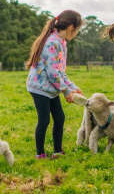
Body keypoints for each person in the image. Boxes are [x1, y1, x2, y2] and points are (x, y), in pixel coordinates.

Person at [26, 10, 83, 159]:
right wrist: (66, 91)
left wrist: (72, 87)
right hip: (39, 87)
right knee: (44, 120)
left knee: (59, 118)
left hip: (51, 87)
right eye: (77, 30)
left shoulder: (61, 42)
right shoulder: (52, 43)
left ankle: (57, 151)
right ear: (71, 27)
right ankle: (40, 153)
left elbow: (60, 71)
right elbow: (52, 73)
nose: (76, 33)